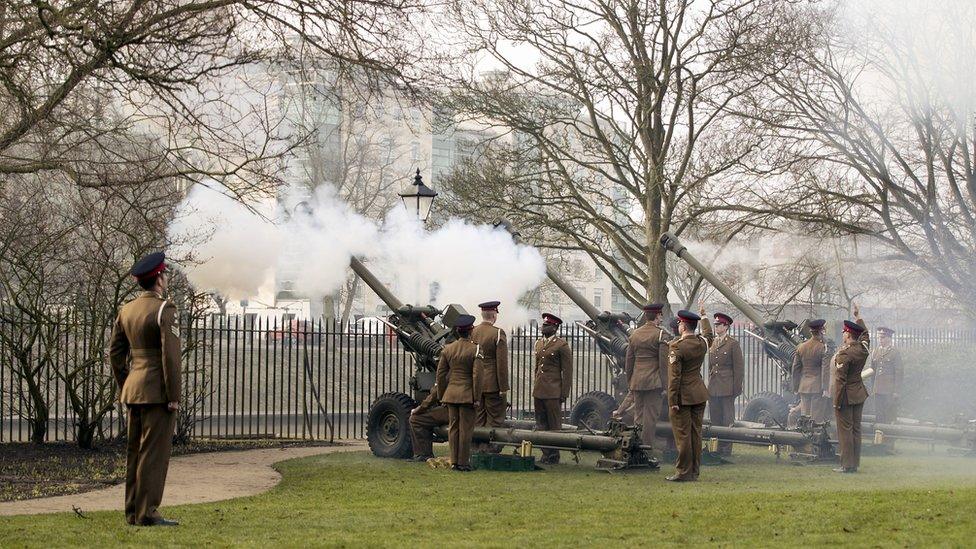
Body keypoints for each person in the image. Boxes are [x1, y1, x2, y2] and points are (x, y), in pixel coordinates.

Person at [108, 252, 181, 527]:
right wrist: (173, 396)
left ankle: (132, 512)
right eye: (165, 275)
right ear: (159, 279)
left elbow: (115, 354)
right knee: (154, 454)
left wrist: (127, 382)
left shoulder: (126, 310)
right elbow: (170, 358)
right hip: (157, 391)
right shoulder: (165, 309)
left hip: (134, 389)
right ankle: (148, 513)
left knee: (135, 452)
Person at [665, 305, 712, 482]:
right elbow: (709, 335)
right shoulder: (701, 344)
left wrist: (672, 400)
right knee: (695, 434)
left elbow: (674, 377)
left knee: (683, 435)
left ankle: (683, 472)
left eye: (680, 324)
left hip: (682, 397)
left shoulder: (677, 347)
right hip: (699, 394)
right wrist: (704, 316)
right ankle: (694, 471)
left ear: (683, 326)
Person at [435, 314, 480, 471]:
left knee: (453, 428)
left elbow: (440, 375)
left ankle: (454, 461)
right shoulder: (475, 349)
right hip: (467, 395)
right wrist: (477, 397)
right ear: (471, 330)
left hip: (451, 394)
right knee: (466, 429)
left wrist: (442, 396)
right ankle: (463, 462)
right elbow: (476, 376)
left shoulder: (448, 349)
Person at [623, 303, 669, 452]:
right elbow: (663, 364)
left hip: (637, 381)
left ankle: (635, 448)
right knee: (650, 418)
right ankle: (646, 449)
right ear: (658, 316)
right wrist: (665, 386)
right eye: (660, 315)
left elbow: (629, 361)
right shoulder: (661, 334)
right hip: (653, 383)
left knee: (638, 416)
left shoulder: (634, 334)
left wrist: (630, 381)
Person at [832, 305, 870, 473]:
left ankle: (847, 465)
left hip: (846, 396)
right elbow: (866, 335)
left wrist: (836, 402)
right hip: (859, 394)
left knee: (845, 431)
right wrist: (858, 318)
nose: (843, 335)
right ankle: (854, 463)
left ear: (848, 334)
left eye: (844, 332)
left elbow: (840, 380)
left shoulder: (844, 354)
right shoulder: (862, 349)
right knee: (856, 429)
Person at [532, 313, 573, 464]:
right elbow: (536, 368)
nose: (543, 328)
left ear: (554, 328)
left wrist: (564, 393)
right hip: (539, 390)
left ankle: (554, 455)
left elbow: (567, 372)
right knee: (541, 423)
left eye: (547, 326)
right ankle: (545, 453)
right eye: (543, 325)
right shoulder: (539, 343)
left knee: (554, 425)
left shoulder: (561, 345)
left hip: (553, 391)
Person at [471, 300, 509, 452]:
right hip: (493, 383)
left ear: (482, 314)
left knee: (478, 418)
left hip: (476, 383)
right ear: (494, 315)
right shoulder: (498, 333)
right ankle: (487, 450)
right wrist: (503, 387)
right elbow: (501, 364)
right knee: (494, 419)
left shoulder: (473, 331)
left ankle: (475, 449)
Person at [706, 312, 744, 456]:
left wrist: (736, 389)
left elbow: (739, 369)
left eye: (719, 325)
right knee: (715, 418)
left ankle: (726, 448)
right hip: (714, 386)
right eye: (715, 324)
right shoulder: (714, 342)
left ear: (726, 326)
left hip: (727, 386)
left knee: (727, 418)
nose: (716, 327)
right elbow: (711, 366)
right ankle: (716, 447)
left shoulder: (732, 344)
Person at [791, 319, 831, 423]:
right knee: (816, 420)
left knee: (805, 417)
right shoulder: (823, 348)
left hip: (804, 387)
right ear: (821, 331)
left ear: (811, 331)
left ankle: (804, 437)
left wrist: (796, 387)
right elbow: (825, 369)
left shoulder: (801, 347)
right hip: (817, 388)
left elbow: (795, 369)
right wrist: (825, 388)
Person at [870, 327, 902, 425]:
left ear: (889, 338)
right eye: (879, 337)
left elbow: (899, 372)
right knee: (879, 415)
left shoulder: (894, 352)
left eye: (883, 337)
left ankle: (889, 438)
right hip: (878, 389)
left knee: (889, 415)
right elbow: (873, 371)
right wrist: (873, 388)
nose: (880, 340)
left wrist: (896, 391)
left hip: (889, 390)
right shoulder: (875, 352)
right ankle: (879, 437)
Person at [409, 386, 449, 461]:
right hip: (469, 409)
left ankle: (423, 454)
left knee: (415, 419)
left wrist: (419, 409)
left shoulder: (446, 374)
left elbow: (436, 393)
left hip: (451, 409)